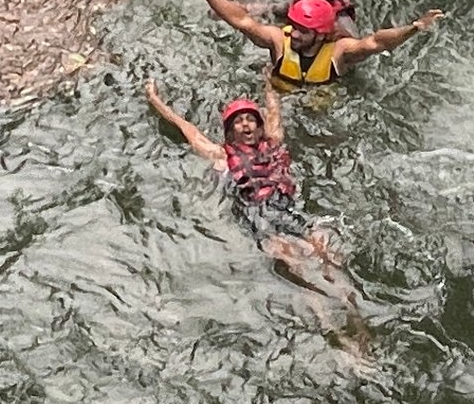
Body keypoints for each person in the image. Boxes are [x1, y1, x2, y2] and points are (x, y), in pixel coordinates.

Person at [143, 75, 344, 277]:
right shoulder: (222, 154)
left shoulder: (273, 141)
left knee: (324, 244)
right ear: (230, 132)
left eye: (250, 120)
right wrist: (155, 99)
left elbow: (273, 110)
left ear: (259, 127)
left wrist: (269, 79)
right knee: (294, 259)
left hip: (283, 204)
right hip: (255, 211)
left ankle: (344, 286)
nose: (246, 124)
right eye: (238, 122)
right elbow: (187, 129)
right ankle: (320, 294)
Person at [178, 0, 443, 90]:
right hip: (281, 90)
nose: (293, 34)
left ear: (321, 34)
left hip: (322, 96)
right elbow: (241, 21)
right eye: (293, 27)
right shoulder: (278, 40)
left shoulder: (339, 51)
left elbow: (377, 42)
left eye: (302, 31)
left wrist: (413, 28)